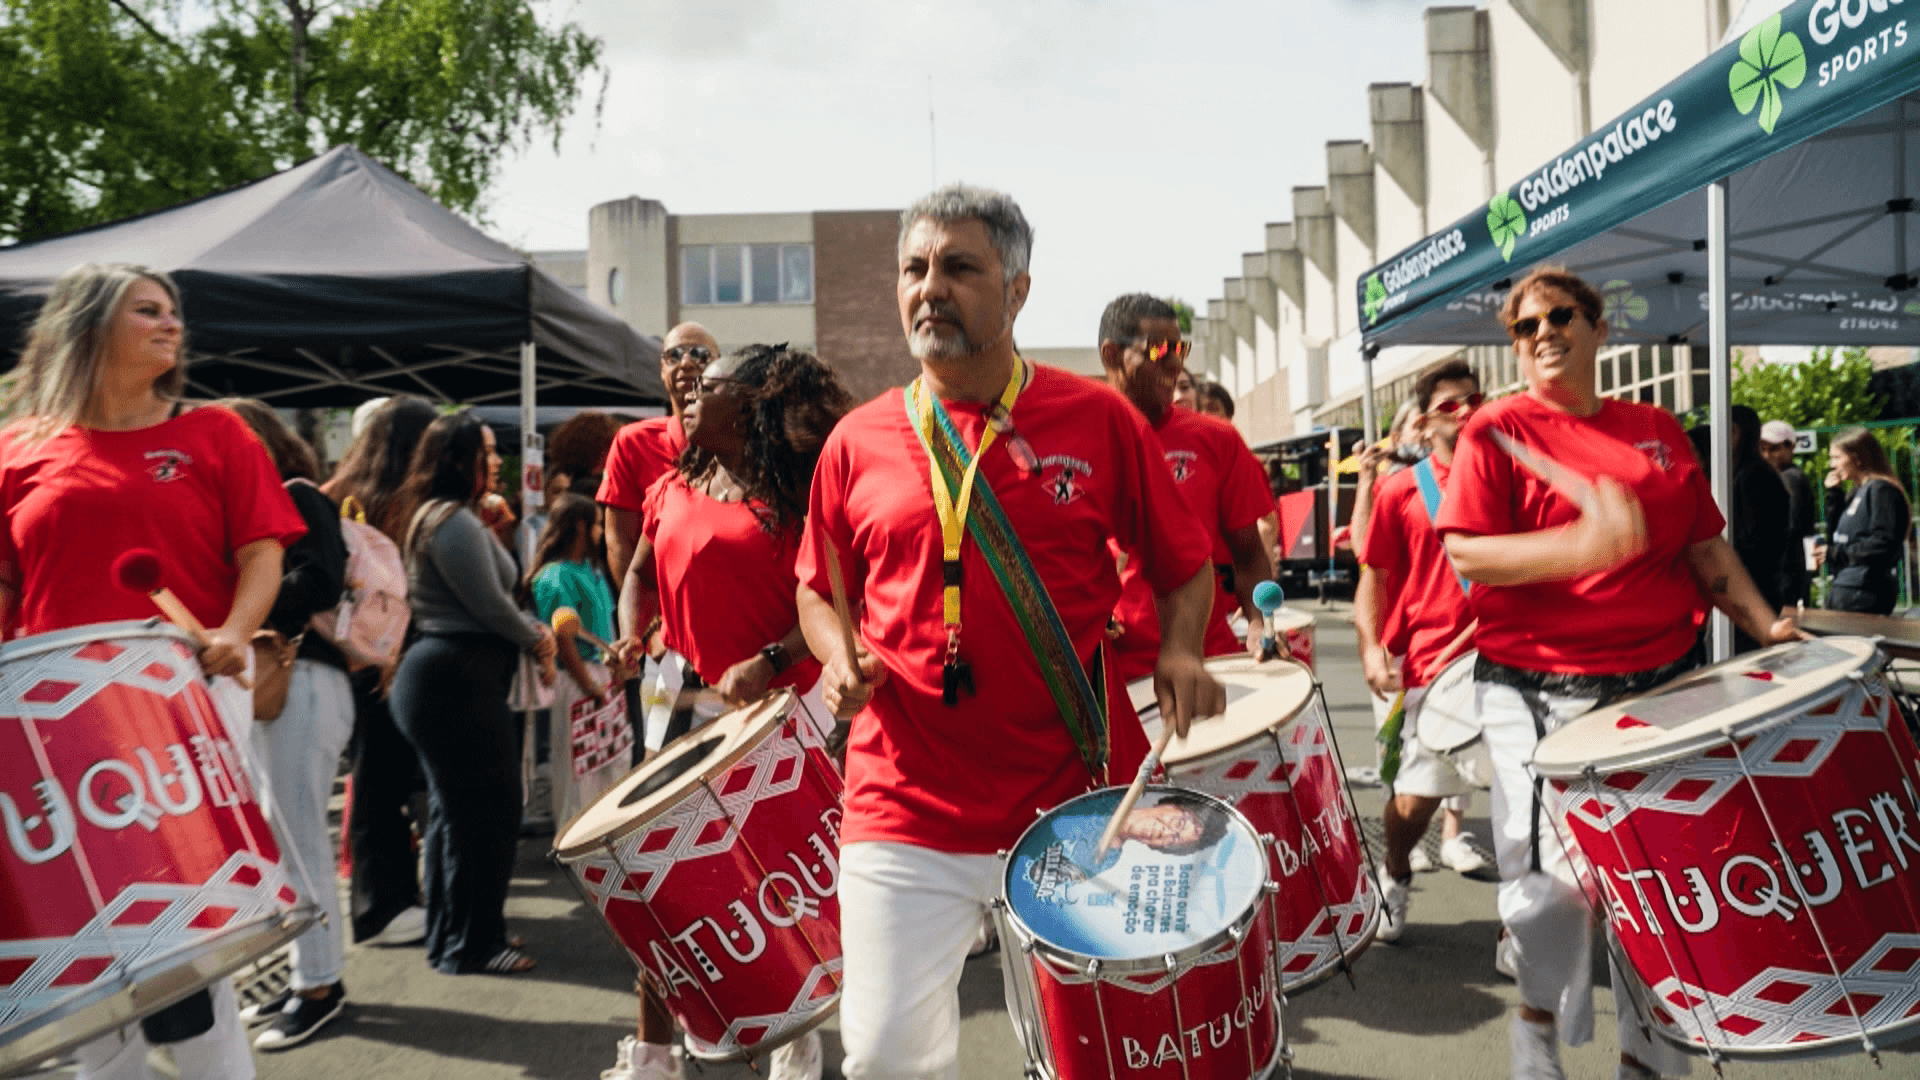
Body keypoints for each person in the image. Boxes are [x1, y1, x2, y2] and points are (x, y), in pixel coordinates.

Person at [793, 184, 1223, 1080]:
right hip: (901, 802)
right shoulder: (856, 441)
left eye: (959, 267)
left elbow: (1185, 563)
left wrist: (1182, 648)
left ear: (1018, 290)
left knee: (1094, 1057)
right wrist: (839, 657)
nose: (929, 288)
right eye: (914, 269)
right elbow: (817, 590)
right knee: (883, 1058)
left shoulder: (1099, 420)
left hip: (1075, 800)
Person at [1437, 267, 1796, 1080]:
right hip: (1536, 690)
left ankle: (1649, 1058)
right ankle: (1535, 1026)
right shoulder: (1498, 429)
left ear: (1599, 329)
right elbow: (1468, 553)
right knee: (1552, 892)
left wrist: (1767, 625)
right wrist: (1574, 548)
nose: (1543, 333)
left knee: (1659, 882)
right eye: (1525, 326)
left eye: (1561, 316)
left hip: (1660, 685)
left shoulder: (1655, 428)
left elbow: (1704, 547)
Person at [0, 264, 306, 1080]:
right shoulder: (16, 448)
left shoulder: (215, 434)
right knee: (91, 959)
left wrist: (233, 632)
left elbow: (262, 553)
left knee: (190, 948)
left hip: (181, 706)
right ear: (89, 325)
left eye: (173, 311)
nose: (172, 324)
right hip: (52, 727)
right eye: (148, 311)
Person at [603, 343, 851, 1080]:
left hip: (780, 711)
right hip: (677, 701)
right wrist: (630, 631)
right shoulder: (676, 481)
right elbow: (638, 572)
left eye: (705, 385)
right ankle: (654, 1056)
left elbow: (833, 599)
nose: (687, 390)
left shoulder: (794, 492)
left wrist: (769, 660)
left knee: (775, 893)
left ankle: (797, 1038)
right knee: (663, 886)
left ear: (745, 406)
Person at [388, 410, 557, 976]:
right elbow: (492, 606)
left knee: (457, 816)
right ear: (457, 460)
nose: (495, 461)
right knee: (485, 814)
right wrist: (537, 637)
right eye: (484, 452)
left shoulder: (448, 517)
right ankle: (473, 943)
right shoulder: (452, 522)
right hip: (455, 681)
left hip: (450, 678)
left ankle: (459, 936)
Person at [221, 400, 354, 1050]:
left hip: (301, 677)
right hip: (281, 682)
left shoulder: (298, 495)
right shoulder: (264, 504)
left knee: (298, 839)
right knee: (284, 837)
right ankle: (308, 973)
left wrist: (240, 604)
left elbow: (322, 581)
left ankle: (319, 985)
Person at [1353, 359, 1489, 946]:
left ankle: (1525, 932)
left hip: (1513, 659)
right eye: (1450, 405)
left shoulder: (1515, 476)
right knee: (1413, 804)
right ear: (1427, 421)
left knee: (1530, 798)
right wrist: (1371, 649)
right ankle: (1396, 871)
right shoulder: (1402, 490)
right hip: (1432, 664)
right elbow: (1374, 580)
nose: (1466, 413)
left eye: (1474, 400)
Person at [1098, 293, 1273, 679]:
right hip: (1113, 674)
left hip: (1207, 662)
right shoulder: (1076, 438)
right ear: (1112, 356)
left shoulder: (1218, 438)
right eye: (1159, 349)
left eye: (1181, 349)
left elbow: (1248, 555)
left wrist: (1259, 623)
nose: (1176, 363)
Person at [324, 395, 439, 948]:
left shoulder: (341, 494)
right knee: (385, 781)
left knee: (374, 780)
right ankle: (382, 908)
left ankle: (388, 901)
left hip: (355, 651)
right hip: (396, 654)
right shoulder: (405, 501)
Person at [522, 493, 631, 828]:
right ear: (580, 526)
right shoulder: (553, 576)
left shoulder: (592, 570)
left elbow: (605, 626)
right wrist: (589, 686)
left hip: (605, 680)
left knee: (614, 765)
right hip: (577, 683)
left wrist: (616, 673)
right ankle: (576, 838)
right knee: (580, 773)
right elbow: (563, 638)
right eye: (596, 523)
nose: (600, 530)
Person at [1817, 427, 1913, 614]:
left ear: (1857, 458)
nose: (1831, 465)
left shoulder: (1882, 490)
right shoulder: (1857, 491)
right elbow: (1837, 536)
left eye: (1836, 457)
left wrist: (1838, 554)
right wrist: (1834, 495)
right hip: (1847, 586)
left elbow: (1883, 542)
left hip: (1865, 590)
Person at [1728, 405, 1792, 650]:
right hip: (1756, 587)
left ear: (1735, 431)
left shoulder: (1753, 475)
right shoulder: (1752, 472)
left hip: (1754, 588)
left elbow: (1755, 539)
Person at [1760, 419, 1816, 606]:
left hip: (1786, 573)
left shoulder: (1790, 478)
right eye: (1762, 448)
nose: (1767, 455)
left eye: (1774, 448)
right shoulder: (1778, 477)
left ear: (1790, 447)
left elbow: (1788, 526)